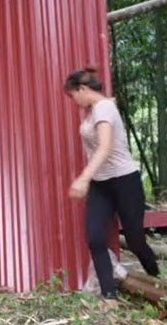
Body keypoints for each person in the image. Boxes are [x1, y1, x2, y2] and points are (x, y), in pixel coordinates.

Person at [63, 67, 160, 302]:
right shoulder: (98, 108)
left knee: (136, 240)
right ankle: (109, 297)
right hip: (101, 185)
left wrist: (83, 178)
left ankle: (157, 279)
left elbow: (105, 147)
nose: (73, 100)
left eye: (73, 95)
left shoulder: (103, 108)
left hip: (124, 181)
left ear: (83, 89)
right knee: (95, 237)